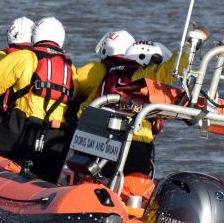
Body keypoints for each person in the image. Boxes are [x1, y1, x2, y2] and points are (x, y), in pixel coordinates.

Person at [72, 27, 208, 177]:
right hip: (134, 144)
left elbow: (84, 109)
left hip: (100, 143)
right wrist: (191, 45)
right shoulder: (139, 74)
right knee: (135, 186)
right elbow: (168, 70)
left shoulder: (109, 76)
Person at [0, 16, 76, 182]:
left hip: (20, 128)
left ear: (35, 36)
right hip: (55, 137)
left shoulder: (25, 57)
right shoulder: (71, 67)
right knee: (46, 179)